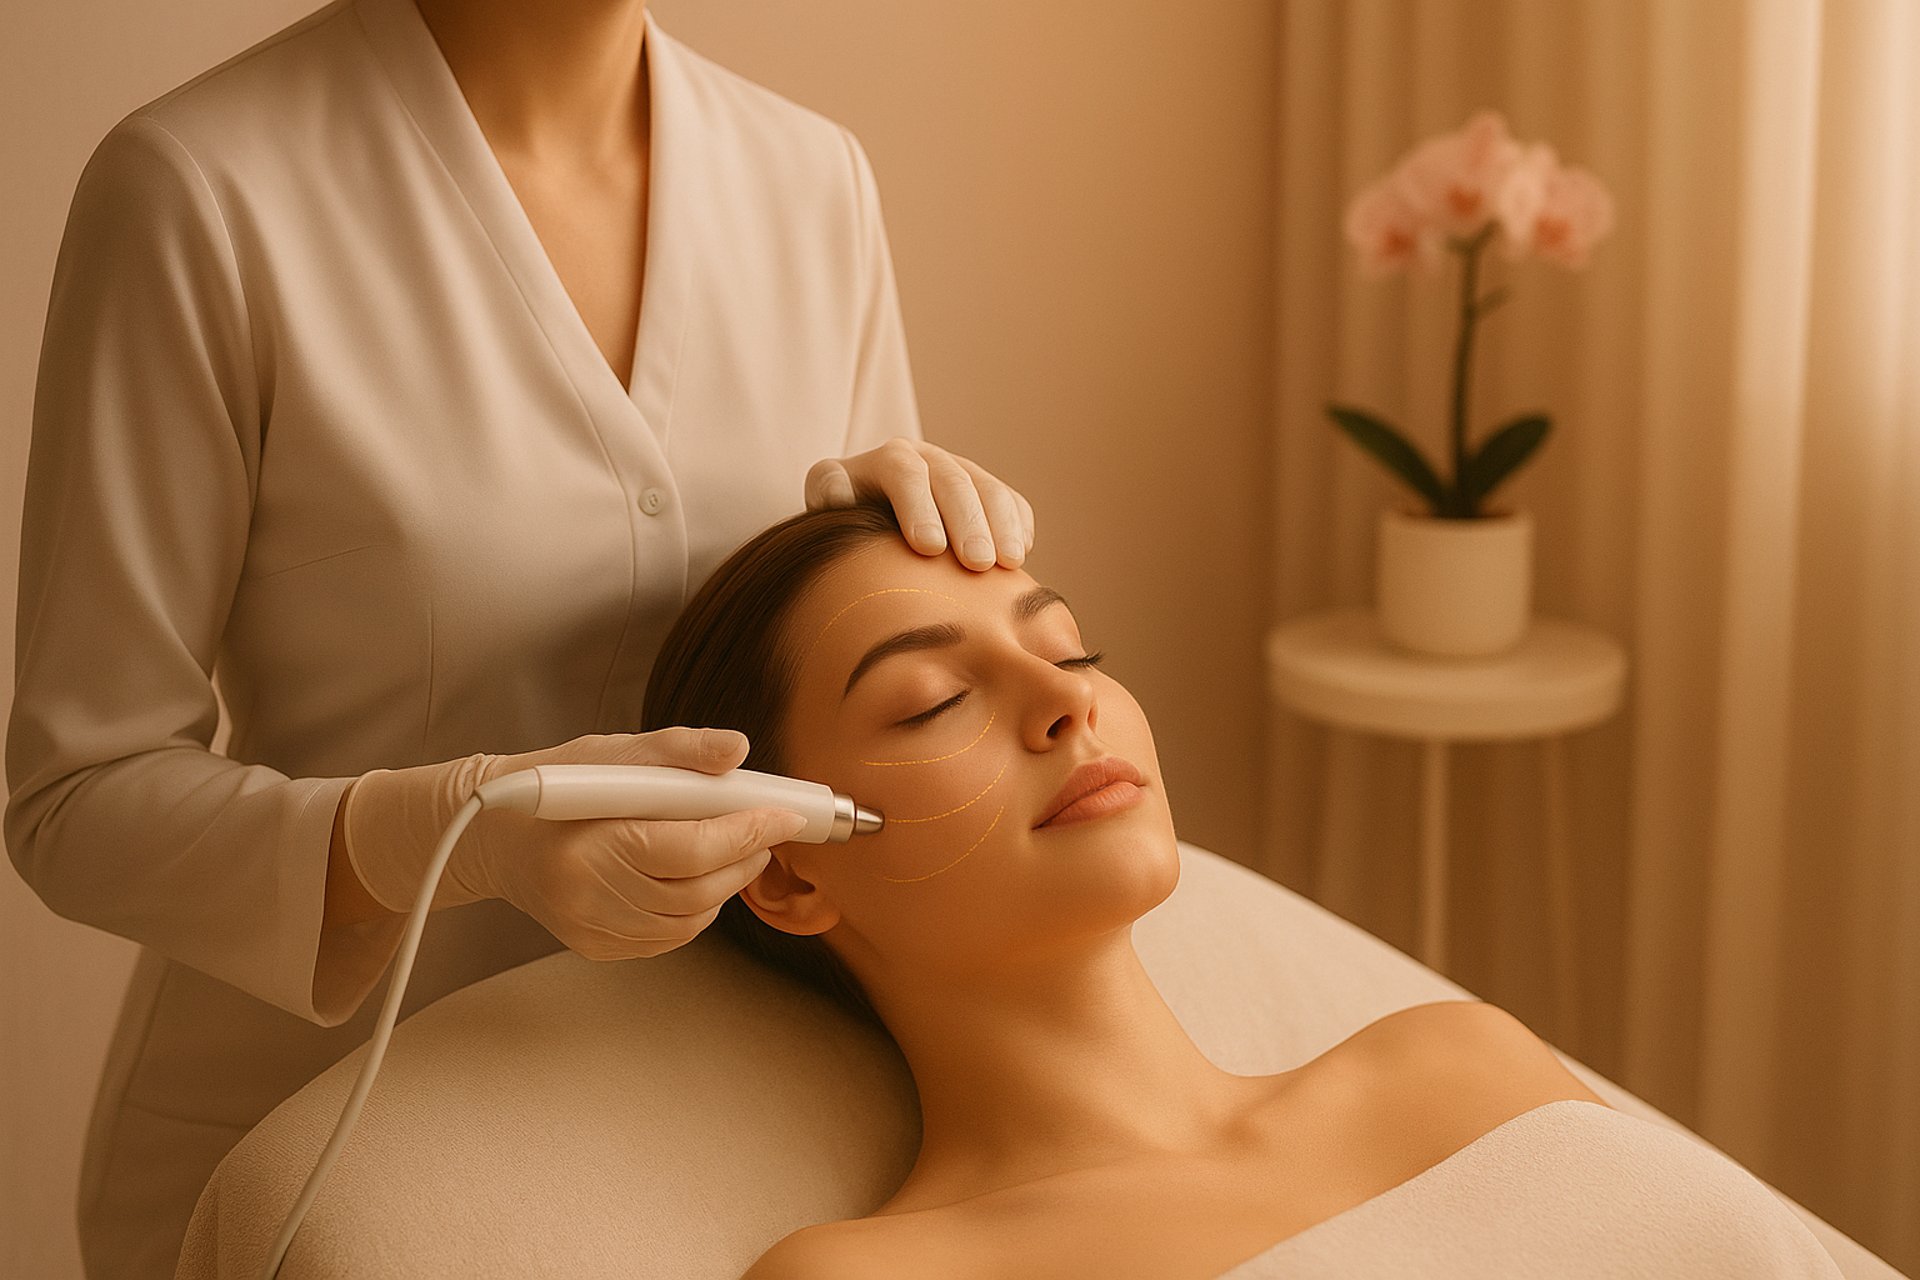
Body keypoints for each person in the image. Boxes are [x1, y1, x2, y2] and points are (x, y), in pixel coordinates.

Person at [3, 0, 1034, 1274]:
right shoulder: (200, 189)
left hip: (713, 1155)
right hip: (302, 1167)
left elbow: (848, 734)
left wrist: (882, 555)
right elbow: (76, 799)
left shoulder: (812, 180)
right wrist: (450, 831)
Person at [638, 498, 1848, 1279]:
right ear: (792, 867)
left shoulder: (1457, 1064)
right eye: (933, 701)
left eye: (1070, 650)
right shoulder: (876, 1275)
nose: (1069, 700)